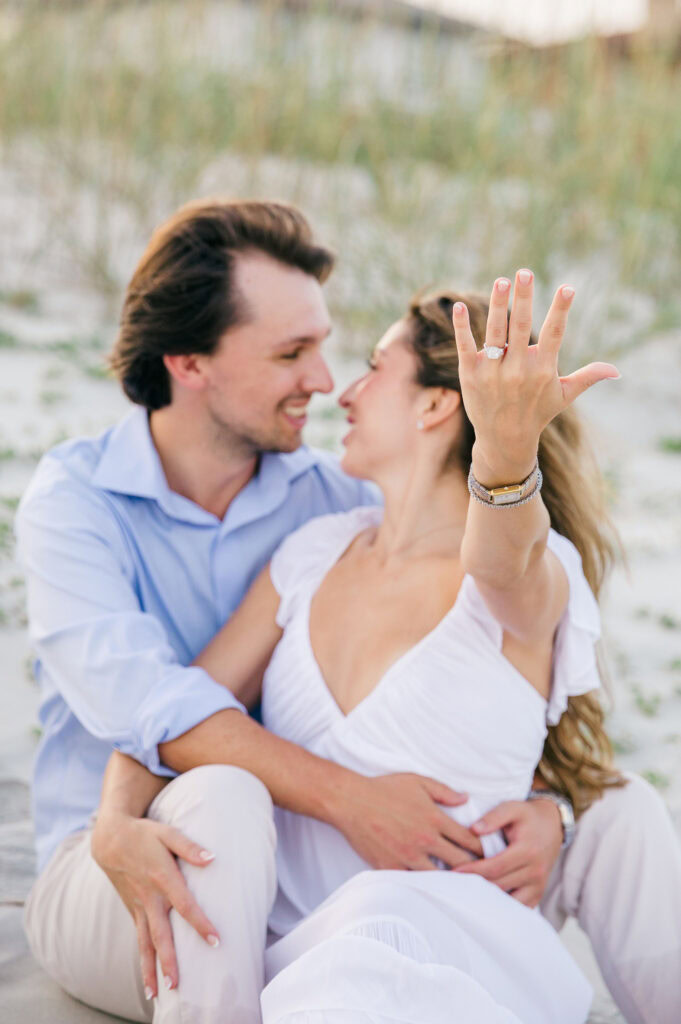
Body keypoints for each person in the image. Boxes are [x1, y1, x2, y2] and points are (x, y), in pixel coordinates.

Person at [16, 199, 681, 1024]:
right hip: (150, 868)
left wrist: (560, 809)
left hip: (377, 910)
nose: (332, 386)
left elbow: (499, 568)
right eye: (295, 352)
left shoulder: (331, 500)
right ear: (191, 363)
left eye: (354, 360)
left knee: (625, 812)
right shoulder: (86, 505)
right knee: (229, 797)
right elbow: (157, 707)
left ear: (437, 408)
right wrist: (117, 820)